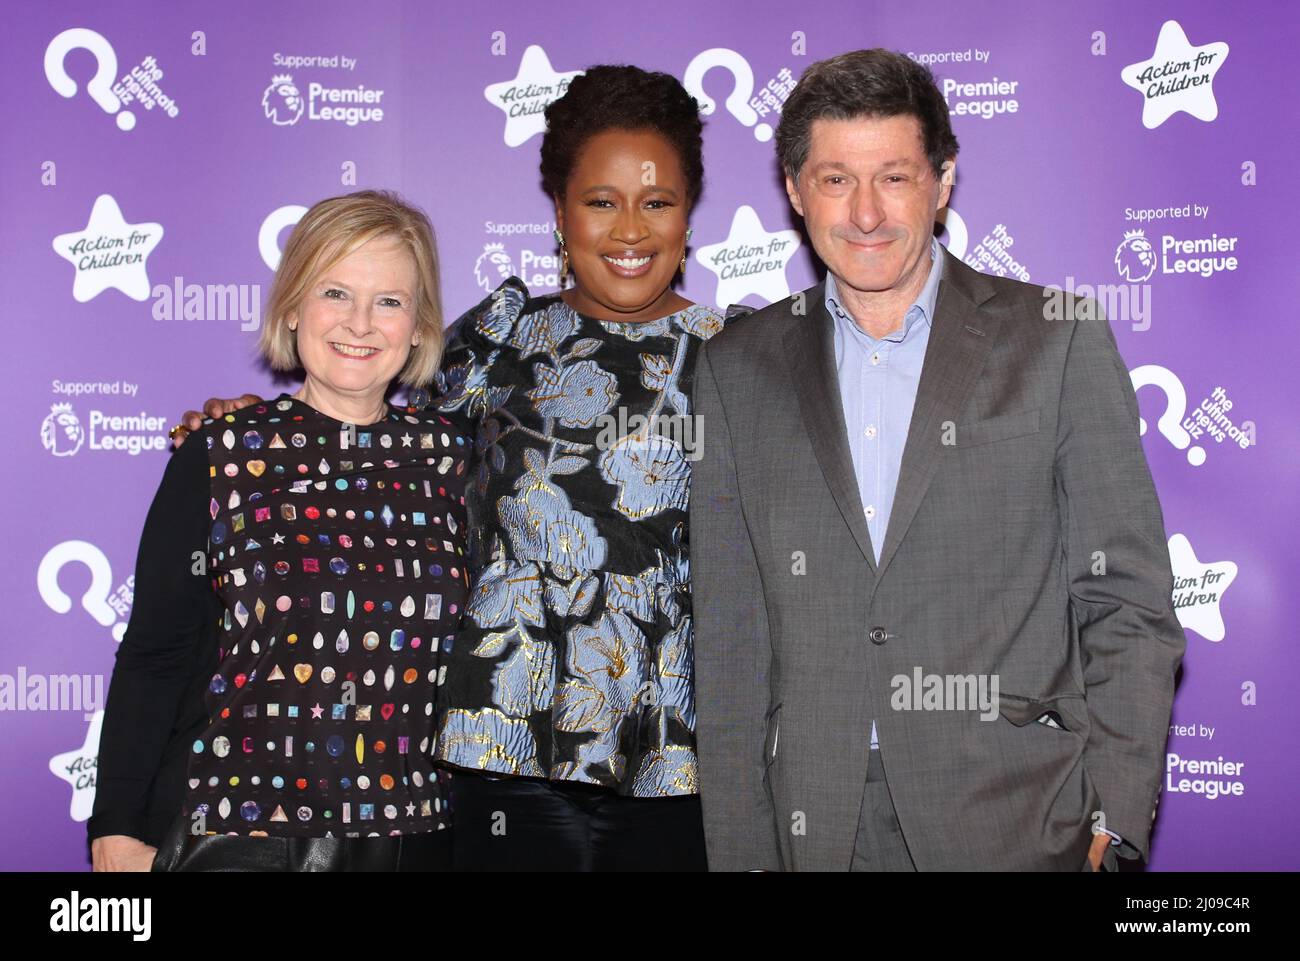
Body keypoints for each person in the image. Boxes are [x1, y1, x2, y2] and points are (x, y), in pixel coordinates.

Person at [174, 65, 738, 871]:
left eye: (657, 202)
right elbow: (361, 416)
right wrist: (250, 432)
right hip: (497, 755)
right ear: (559, 213)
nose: (629, 229)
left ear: (689, 216)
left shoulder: (741, 356)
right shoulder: (500, 339)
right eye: (601, 201)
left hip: (674, 754)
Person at [689, 49, 1186, 871]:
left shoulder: (1056, 340)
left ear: (943, 179)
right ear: (793, 190)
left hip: (1020, 818)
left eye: (895, 177)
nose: (867, 214)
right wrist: (742, 851)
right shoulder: (737, 367)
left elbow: (1128, 596)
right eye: (836, 179)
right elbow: (732, 640)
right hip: (813, 824)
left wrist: (1116, 811)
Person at [90, 189, 469, 871]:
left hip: (410, 835)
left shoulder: (459, 463)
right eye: (335, 292)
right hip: (238, 832)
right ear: (292, 306)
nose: (361, 322)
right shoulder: (221, 453)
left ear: (419, 326)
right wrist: (115, 821)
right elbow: (156, 653)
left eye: (389, 300)